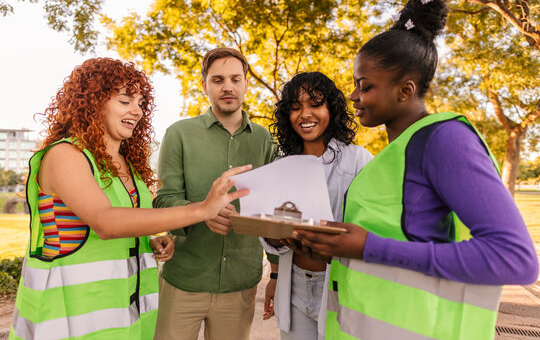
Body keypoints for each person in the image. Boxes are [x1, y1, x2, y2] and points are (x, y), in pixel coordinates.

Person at [291, 0, 539, 340]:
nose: (353, 96)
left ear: (405, 91)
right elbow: (399, 242)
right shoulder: (394, 154)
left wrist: (367, 246)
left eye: (364, 86)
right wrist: (330, 248)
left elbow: (515, 258)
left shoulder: (444, 140)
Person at [9, 57, 251, 340]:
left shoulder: (130, 168)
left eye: (140, 103)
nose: (136, 110)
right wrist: (203, 209)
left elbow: (117, 229)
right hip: (67, 322)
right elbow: (106, 222)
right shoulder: (65, 154)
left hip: (126, 324)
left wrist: (145, 241)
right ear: (92, 102)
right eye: (125, 101)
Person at [152, 48, 275, 340]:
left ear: (247, 84)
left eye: (235, 79)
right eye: (218, 80)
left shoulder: (265, 139)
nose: (228, 87)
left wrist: (277, 270)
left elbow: (272, 208)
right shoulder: (179, 133)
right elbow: (163, 200)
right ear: (205, 85)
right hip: (184, 278)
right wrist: (203, 211)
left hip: (241, 282)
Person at [260, 72, 372, 340]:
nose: (304, 114)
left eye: (314, 104)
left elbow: (370, 229)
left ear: (331, 109)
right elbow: (271, 237)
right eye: (295, 107)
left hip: (338, 286)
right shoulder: (281, 165)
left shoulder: (359, 160)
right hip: (296, 284)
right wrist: (274, 235)